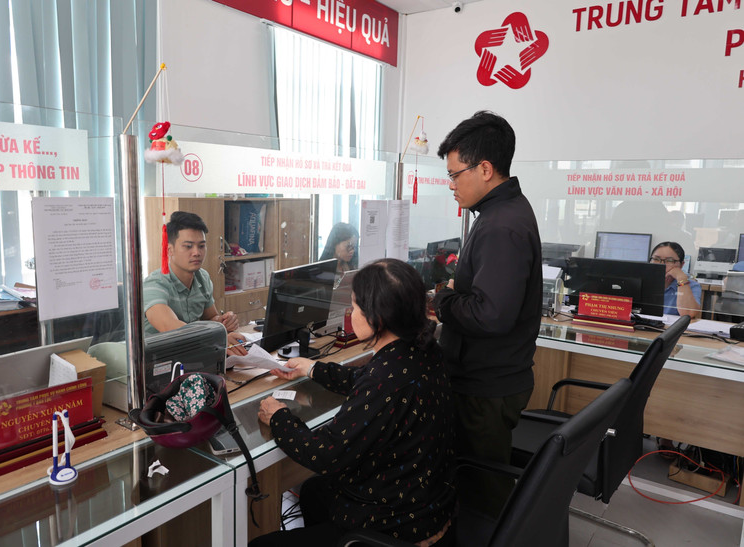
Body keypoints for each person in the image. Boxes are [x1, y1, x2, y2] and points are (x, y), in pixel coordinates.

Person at [251, 259, 455, 547]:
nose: (351, 312)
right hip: (424, 499)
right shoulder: (421, 349)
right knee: (312, 491)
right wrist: (313, 368)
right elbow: (366, 378)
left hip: (394, 523)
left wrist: (279, 417)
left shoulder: (386, 379)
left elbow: (325, 455)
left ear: (378, 318)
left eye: (356, 306)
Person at [433, 110, 543, 517]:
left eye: (454, 174)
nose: (451, 185)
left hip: (485, 390)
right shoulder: (502, 212)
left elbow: (490, 315)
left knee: (482, 499)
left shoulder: (501, 226)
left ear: (484, 168)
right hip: (491, 379)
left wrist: (443, 301)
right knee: (480, 488)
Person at [143, 211, 247, 356]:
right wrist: (219, 339)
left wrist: (224, 321)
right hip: (158, 361)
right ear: (169, 250)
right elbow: (169, 327)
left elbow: (210, 318)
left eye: (201, 246)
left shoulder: (202, 277)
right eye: (188, 246)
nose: (196, 252)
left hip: (193, 355)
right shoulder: (154, 285)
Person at [650, 241, 701, 319]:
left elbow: (687, 314)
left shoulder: (692, 286)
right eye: (656, 259)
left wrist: (681, 278)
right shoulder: (642, 280)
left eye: (669, 260)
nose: (661, 264)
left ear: (681, 264)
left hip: (671, 329)